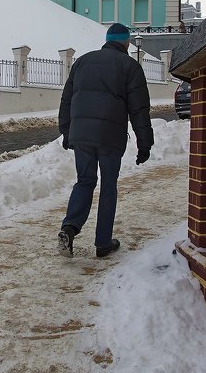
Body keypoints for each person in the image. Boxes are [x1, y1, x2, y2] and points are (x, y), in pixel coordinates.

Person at [57, 23, 153, 258]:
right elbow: (139, 110)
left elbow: (66, 100)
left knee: (85, 181)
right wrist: (144, 144)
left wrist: (67, 132)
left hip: (82, 135)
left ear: (107, 39)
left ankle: (69, 227)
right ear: (127, 42)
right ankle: (103, 243)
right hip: (110, 136)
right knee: (108, 185)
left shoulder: (81, 62)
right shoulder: (130, 66)